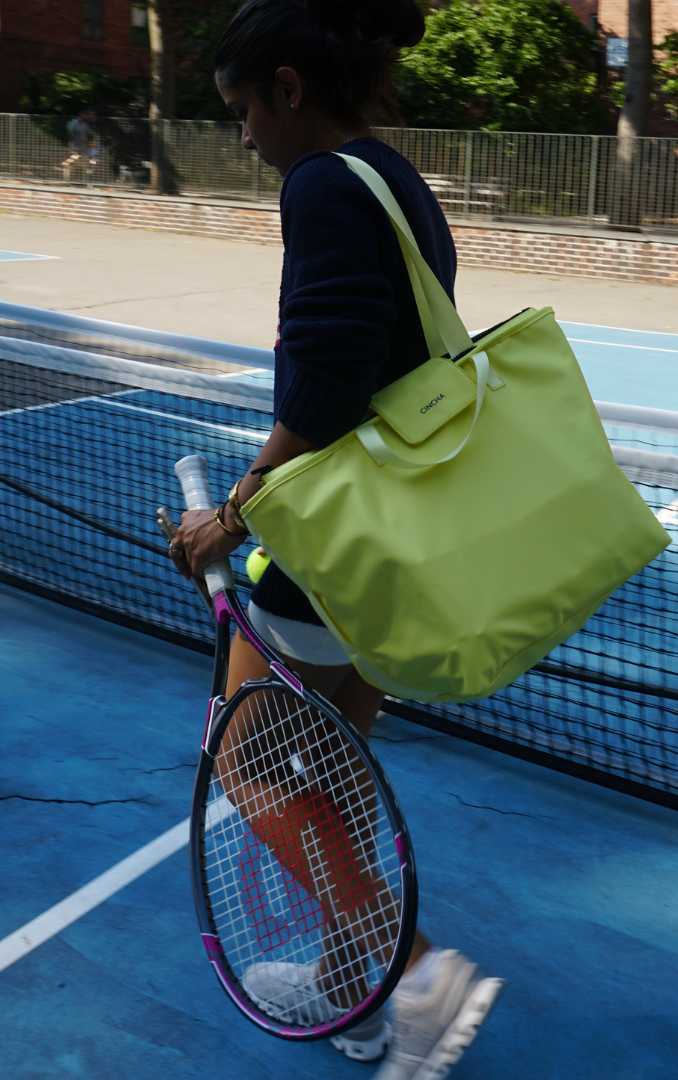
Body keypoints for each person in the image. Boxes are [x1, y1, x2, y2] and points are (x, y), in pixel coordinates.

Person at [171, 2, 503, 1077]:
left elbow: (327, 377)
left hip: (329, 546)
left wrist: (230, 516)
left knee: (248, 762)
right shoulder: (393, 177)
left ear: (288, 88)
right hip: (395, 540)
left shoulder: (319, 183)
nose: (243, 136)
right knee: (335, 765)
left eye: (242, 110)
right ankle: (349, 995)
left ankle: (415, 972)